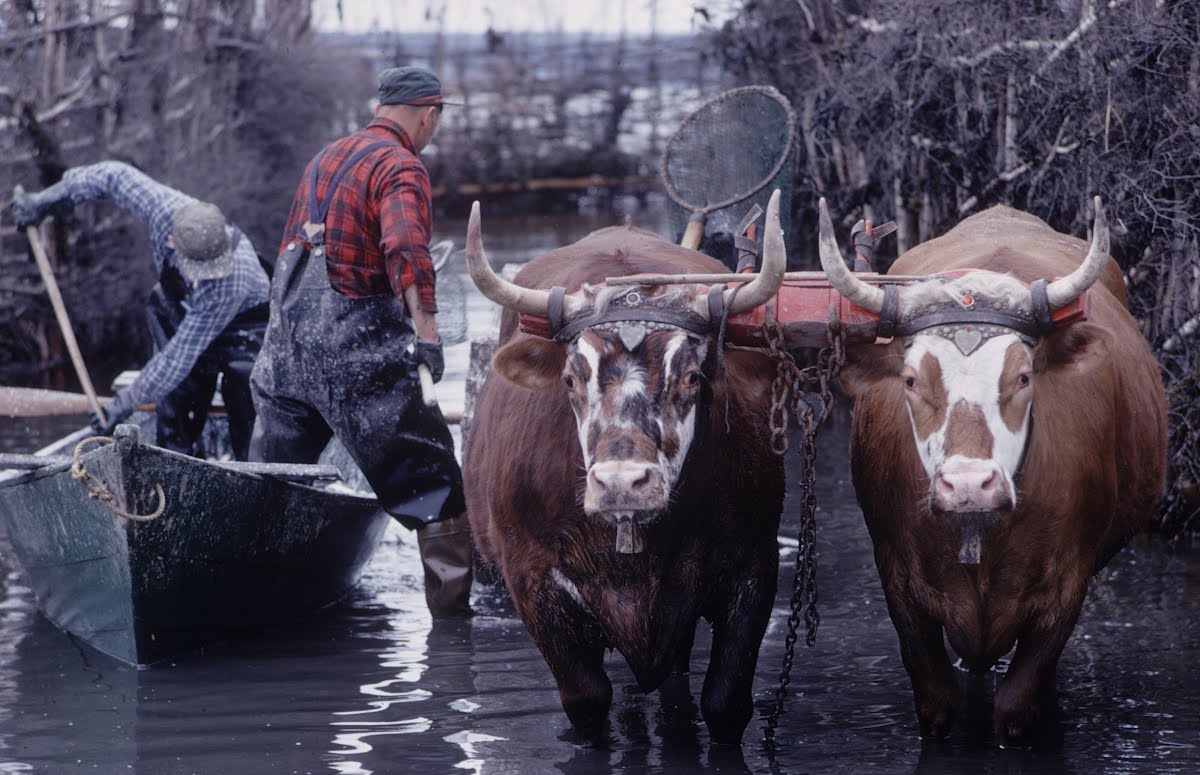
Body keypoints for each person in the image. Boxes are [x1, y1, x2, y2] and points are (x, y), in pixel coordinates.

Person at [248, 66, 472, 618]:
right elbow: (406, 251)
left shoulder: (325, 157)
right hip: (355, 362)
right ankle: (453, 634)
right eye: (437, 119)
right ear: (430, 113)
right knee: (435, 483)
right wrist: (427, 334)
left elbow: (291, 252)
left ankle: (256, 606)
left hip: (282, 362)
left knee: (272, 488)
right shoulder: (401, 165)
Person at [11, 163, 270, 460]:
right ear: (173, 241)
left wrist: (127, 401)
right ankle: (177, 465)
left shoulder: (231, 281)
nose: (205, 277)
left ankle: (250, 474)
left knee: (246, 392)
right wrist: (49, 200)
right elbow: (112, 176)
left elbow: (178, 356)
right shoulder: (163, 209)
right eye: (199, 270)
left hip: (245, 327)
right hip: (187, 312)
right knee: (177, 399)